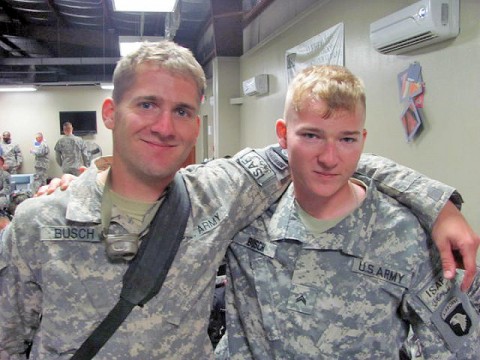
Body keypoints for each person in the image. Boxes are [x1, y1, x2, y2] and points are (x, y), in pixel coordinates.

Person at [0, 41, 478, 360]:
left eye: (183, 111)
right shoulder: (37, 222)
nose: (165, 126)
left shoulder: (220, 198)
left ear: (197, 124)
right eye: (147, 104)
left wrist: (435, 202)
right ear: (110, 113)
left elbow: (322, 155)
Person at [219, 65, 480, 359]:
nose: (330, 159)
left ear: (363, 139)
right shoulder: (248, 215)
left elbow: (458, 349)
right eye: (311, 136)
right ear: (282, 134)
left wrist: (440, 206)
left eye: (347, 139)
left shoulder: (403, 235)